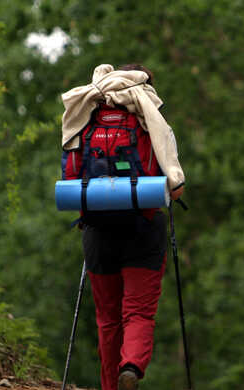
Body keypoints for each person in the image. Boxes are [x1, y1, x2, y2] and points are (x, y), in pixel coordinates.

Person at [60, 64, 185, 390]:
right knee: (138, 313)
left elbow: (71, 179)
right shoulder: (150, 121)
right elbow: (177, 188)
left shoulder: (85, 118)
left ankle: (110, 386)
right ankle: (131, 367)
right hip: (144, 227)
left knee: (108, 319)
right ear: (146, 89)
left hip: (97, 230)